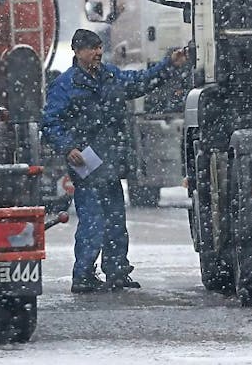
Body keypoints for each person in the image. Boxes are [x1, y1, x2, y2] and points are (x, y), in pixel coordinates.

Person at [42, 28, 188, 293]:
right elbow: (50, 123)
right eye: (91, 48)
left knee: (115, 220)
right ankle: (83, 275)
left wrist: (169, 66)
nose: (98, 53)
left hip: (108, 164)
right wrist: (68, 148)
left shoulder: (110, 76)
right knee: (93, 221)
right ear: (77, 52)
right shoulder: (64, 85)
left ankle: (117, 272)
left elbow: (141, 81)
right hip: (85, 165)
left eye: (99, 47)